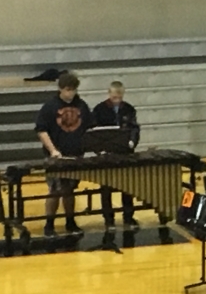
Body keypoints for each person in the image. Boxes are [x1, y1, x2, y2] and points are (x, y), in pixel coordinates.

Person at [34, 72, 93, 237]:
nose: (71, 93)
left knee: (69, 190)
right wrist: (53, 150)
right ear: (60, 89)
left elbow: (90, 128)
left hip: (75, 155)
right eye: (68, 89)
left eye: (73, 89)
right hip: (56, 156)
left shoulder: (82, 105)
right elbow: (41, 130)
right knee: (54, 190)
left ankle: (70, 221)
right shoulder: (50, 106)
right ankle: (49, 224)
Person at [92, 80, 140, 229]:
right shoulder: (99, 109)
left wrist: (132, 142)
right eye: (114, 98)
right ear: (109, 94)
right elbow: (93, 130)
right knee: (106, 188)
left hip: (125, 153)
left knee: (127, 187)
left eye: (119, 98)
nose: (117, 101)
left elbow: (134, 128)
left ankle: (128, 217)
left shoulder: (129, 109)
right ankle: (108, 219)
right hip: (106, 154)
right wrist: (99, 149)